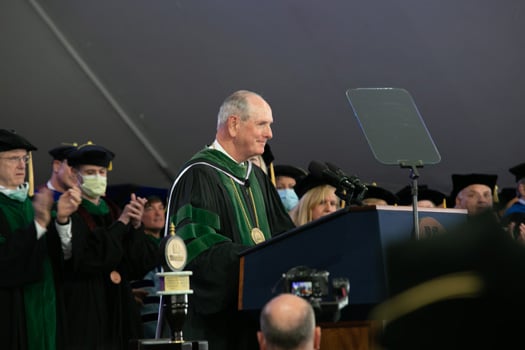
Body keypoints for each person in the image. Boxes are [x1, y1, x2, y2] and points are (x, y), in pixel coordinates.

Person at [165, 90, 295, 350]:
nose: (270, 134)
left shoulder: (258, 178)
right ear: (234, 124)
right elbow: (199, 251)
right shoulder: (199, 175)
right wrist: (260, 258)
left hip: (257, 321)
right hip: (217, 329)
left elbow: (285, 236)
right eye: (262, 124)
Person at [60, 141, 159, 349]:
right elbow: (90, 258)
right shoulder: (70, 213)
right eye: (90, 172)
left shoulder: (113, 210)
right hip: (87, 304)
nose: (97, 177)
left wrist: (136, 226)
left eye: (102, 172)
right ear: (76, 176)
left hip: (120, 305)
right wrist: (122, 223)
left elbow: (138, 264)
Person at [0, 129, 80, 350]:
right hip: (12, 316)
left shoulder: (35, 204)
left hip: (50, 310)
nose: (21, 165)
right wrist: (38, 224)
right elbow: (4, 262)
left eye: (24, 159)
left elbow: (61, 261)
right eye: (13, 159)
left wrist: (62, 220)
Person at [130, 195, 168, 338]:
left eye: (161, 208)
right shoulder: (134, 246)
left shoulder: (170, 245)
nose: (158, 213)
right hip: (146, 323)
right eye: (150, 209)